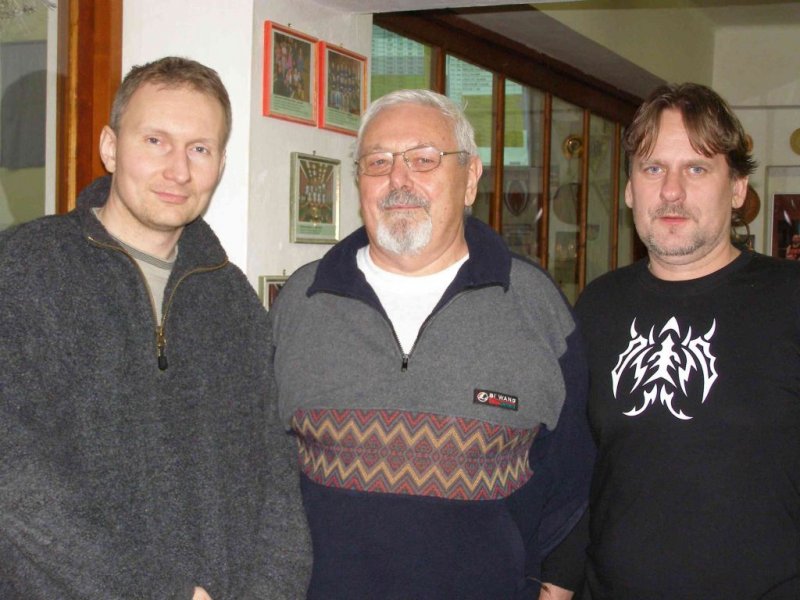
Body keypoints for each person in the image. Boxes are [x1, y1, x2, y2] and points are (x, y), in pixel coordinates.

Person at [0, 56, 309, 599]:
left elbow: (275, 478)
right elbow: (17, 478)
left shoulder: (234, 301)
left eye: (199, 149)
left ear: (220, 163)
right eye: (155, 141)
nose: (179, 171)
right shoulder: (25, 268)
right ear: (110, 147)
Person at [268, 89, 594, 599]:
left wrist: (557, 585)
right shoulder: (300, 303)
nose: (399, 180)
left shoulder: (535, 307)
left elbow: (573, 472)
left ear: (471, 178)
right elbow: (261, 465)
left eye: (423, 159)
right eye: (378, 162)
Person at [575, 83, 800, 598]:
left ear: (738, 188)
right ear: (629, 189)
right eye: (653, 168)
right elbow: (576, 469)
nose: (671, 191)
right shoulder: (598, 306)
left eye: (696, 169)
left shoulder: (790, 299)